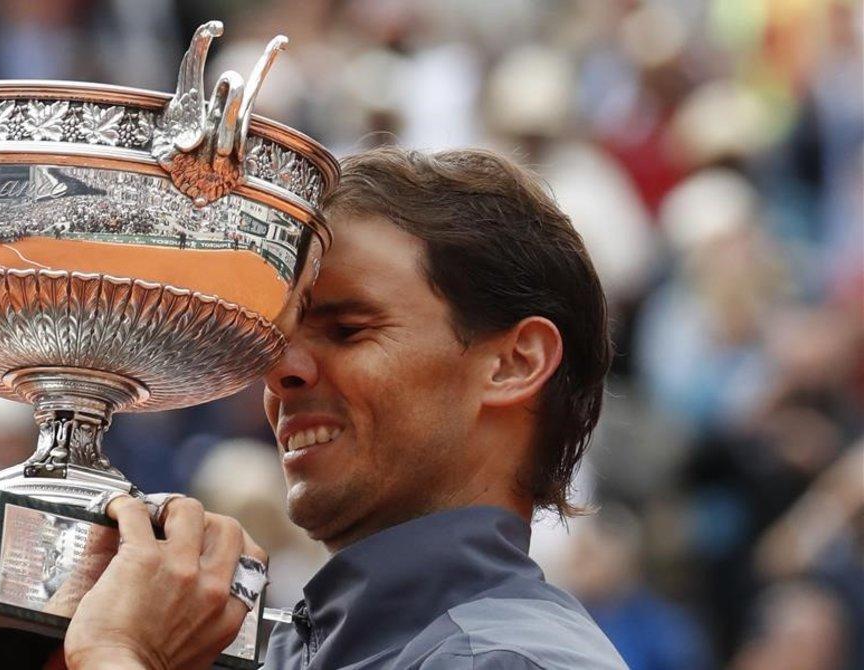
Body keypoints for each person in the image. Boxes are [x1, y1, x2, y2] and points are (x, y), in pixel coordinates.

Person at [63, 147, 627, 669]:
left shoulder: (508, 660)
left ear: (514, 363)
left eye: (348, 329)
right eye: (276, 337)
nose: (280, 371)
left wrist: (115, 652)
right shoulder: (281, 650)